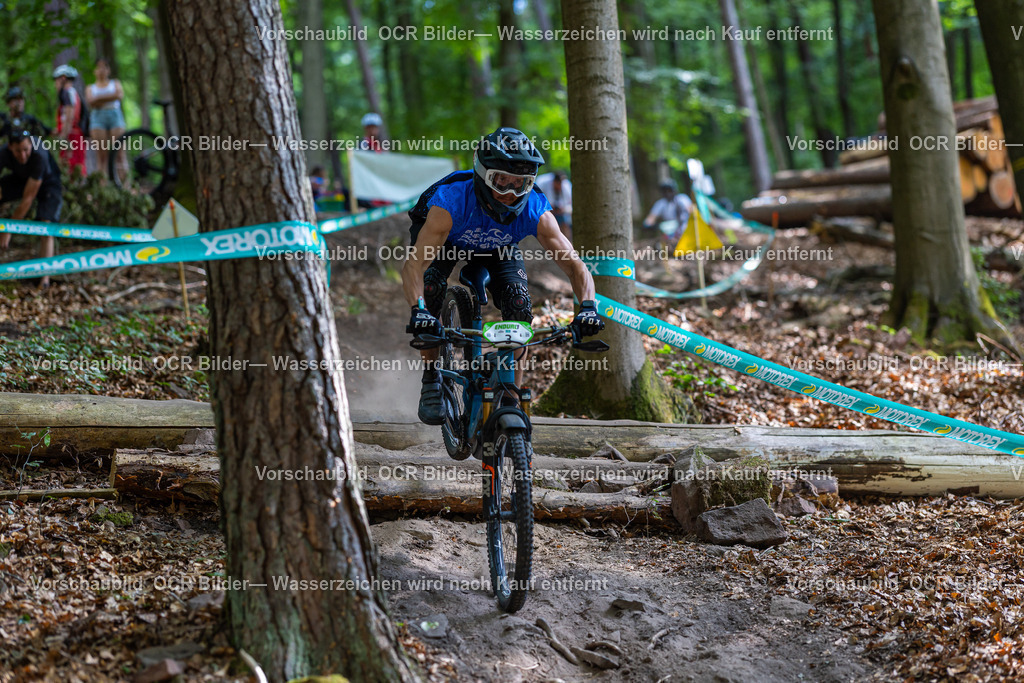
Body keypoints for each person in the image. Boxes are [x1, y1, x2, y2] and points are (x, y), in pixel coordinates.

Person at [401, 127, 604, 425]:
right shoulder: (450, 203)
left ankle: (510, 390)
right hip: (449, 241)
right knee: (430, 288)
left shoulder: (535, 209)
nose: (511, 193)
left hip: (499, 245)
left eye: (520, 184)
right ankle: (431, 377)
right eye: (501, 181)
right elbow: (413, 266)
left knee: (519, 305)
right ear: (483, 175)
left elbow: (575, 265)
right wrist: (419, 311)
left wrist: (588, 308)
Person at [0, 128, 63, 288]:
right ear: (10, 147)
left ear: (31, 145)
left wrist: (8, 230)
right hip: (22, 179)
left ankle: (45, 281)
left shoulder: (39, 156)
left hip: (49, 184)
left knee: (46, 225)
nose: (22, 155)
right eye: (18, 151)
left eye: (26, 150)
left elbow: (28, 199)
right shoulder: (3, 153)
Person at [85, 58, 126, 181]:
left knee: (119, 154)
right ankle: (103, 189)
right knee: (102, 156)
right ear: (94, 71)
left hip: (115, 116)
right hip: (98, 118)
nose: (101, 70)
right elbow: (91, 102)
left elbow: (119, 95)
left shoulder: (115, 83)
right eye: (98, 67)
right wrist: (109, 97)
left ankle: (125, 186)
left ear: (108, 70)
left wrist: (99, 100)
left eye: (104, 67)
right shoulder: (90, 87)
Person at [53, 65, 86, 177]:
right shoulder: (73, 93)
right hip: (75, 134)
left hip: (72, 135)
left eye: (56, 80)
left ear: (63, 78)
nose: (55, 84)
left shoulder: (67, 93)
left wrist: (63, 136)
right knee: (76, 163)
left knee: (72, 164)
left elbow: (69, 117)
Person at [643, 179, 693, 245]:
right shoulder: (661, 204)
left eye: (669, 190)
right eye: (665, 191)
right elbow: (651, 218)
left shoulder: (682, 199)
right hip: (670, 234)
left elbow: (691, 210)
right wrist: (648, 225)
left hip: (686, 230)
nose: (667, 193)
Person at [535, 170, 573, 239]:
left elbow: (569, 205)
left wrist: (562, 209)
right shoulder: (542, 183)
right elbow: (536, 199)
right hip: (544, 210)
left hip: (561, 213)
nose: (559, 186)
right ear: (554, 182)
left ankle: (567, 240)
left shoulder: (567, 187)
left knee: (564, 224)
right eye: (557, 184)